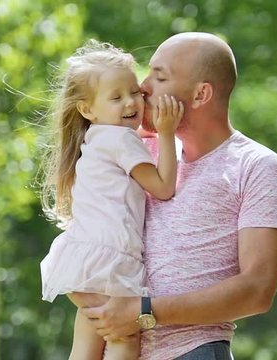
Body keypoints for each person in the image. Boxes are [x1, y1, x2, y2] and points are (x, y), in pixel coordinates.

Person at [79, 32, 277, 359]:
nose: (143, 86)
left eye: (159, 76)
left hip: (193, 351)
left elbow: (257, 291)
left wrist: (145, 311)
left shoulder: (258, 167)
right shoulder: (138, 150)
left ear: (200, 94)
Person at [39, 40, 184, 359]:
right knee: (125, 337)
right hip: (111, 264)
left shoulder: (96, 136)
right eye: (116, 97)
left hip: (85, 262)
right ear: (87, 109)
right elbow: (162, 187)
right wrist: (166, 132)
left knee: (88, 339)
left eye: (135, 92)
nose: (131, 102)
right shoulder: (121, 139)